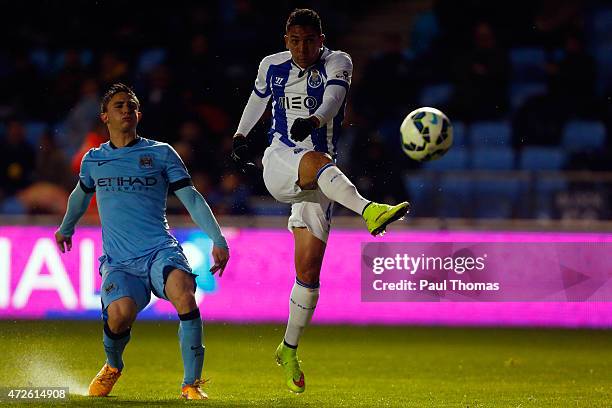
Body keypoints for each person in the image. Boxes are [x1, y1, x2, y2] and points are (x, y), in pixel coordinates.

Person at [231, 9, 409, 394]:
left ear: (321, 39)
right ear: (285, 40)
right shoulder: (271, 65)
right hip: (280, 160)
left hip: (322, 179)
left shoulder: (338, 61)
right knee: (314, 160)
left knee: (309, 275)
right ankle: (369, 210)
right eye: (294, 40)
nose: (302, 48)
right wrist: (241, 137)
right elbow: (256, 100)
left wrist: (313, 122)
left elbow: (332, 99)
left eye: (309, 40)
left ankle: (289, 348)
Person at [55, 83, 229, 400]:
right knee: (119, 315)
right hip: (120, 262)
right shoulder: (93, 160)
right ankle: (112, 366)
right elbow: (80, 197)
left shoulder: (161, 153)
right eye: (119, 105)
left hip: (160, 251)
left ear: (139, 114)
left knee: (184, 294)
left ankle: (191, 383)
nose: (126, 110)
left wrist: (217, 237)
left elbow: (190, 198)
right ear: (105, 116)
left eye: (131, 105)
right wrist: (66, 228)